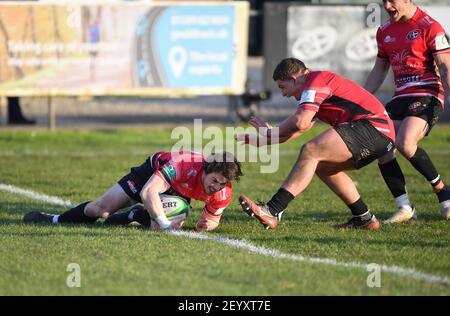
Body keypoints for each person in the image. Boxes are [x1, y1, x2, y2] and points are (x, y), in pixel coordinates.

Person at [236, 57, 396, 230]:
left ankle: (272, 210)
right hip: (379, 135)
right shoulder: (315, 87)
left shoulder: (316, 80)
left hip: (374, 128)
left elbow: (300, 122)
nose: (284, 94)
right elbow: (298, 129)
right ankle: (364, 218)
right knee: (324, 167)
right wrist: (261, 141)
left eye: (283, 87)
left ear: (294, 79)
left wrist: (270, 132)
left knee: (311, 150)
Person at [364, 0, 450, 222]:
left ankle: (443, 192)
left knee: (405, 143)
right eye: (383, 1)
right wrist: (361, 98)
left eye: (392, 0)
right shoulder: (383, 32)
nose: (387, 5)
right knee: (381, 148)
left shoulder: (430, 26)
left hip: (427, 92)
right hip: (400, 96)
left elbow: (444, 65)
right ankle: (405, 208)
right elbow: (380, 68)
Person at [24, 151, 242, 231]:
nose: (216, 187)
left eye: (222, 184)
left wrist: (206, 225)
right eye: (214, 180)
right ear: (205, 169)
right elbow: (149, 191)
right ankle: (55, 220)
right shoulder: (185, 163)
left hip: (176, 191)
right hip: (151, 174)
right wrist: (165, 223)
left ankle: (135, 215)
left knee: (166, 221)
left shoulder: (222, 191)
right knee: (101, 210)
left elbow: (212, 220)